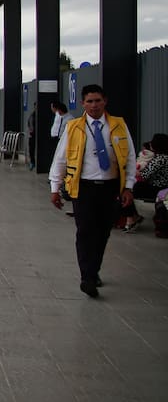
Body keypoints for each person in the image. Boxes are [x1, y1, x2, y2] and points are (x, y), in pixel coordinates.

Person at [48, 84, 137, 298]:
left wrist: (128, 187)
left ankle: (93, 270)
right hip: (83, 187)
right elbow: (60, 159)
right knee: (85, 231)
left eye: (97, 101)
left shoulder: (118, 125)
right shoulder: (74, 127)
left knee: (103, 232)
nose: (94, 105)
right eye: (89, 101)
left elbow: (130, 158)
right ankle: (87, 277)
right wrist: (55, 187)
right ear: (83, 104)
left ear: (105, 101)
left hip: (110, 187)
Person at [119, 133, 168, 232]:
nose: (150, 144)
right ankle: (133, 217)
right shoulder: (163, 157)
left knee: (126, 190)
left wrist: (133, 171)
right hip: (161, 187)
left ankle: (131, 219)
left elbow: (144, 175)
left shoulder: (160, 159)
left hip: (156, 188)